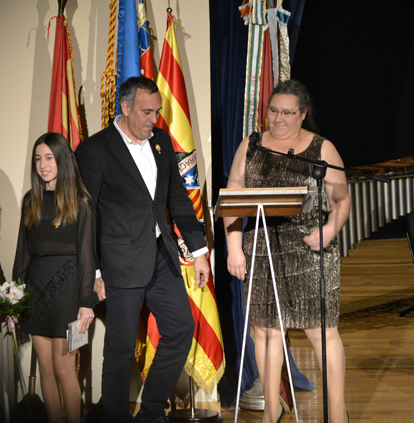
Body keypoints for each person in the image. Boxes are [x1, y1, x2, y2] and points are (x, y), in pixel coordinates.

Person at [75, 76, 209, 423]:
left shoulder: (161, 141)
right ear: (125, 107)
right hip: (119, 264)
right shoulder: (94, 150)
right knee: (119, 350)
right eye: (146, 112)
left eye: (157, 111)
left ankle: (151, 412)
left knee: (180, 329)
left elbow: (178, 201)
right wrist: (95, 272)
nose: (154, 119)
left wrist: (199, 252)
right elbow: (87, 217)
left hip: (162, 257)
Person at [224, 80, 350, 423]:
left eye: (287, 113)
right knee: (266, 332)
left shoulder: (321, 148)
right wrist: (234, 247)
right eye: (273, 111)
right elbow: (233, 195)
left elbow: (341, 200)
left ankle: (337, 413)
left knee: (321, 331)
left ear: (303, 114)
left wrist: (329, 230)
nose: (278, 119)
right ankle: (272, 409)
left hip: (309, 251)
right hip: (262, 248)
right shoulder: (251, 145)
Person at [12, 132, 98, 423]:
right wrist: (15, 297)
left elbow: (87, 257)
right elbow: (22, 253)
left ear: (63, 160)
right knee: (46, 369)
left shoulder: (81, 202)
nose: (43, 165)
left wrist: (86, 302)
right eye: (38, 159)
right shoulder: (31, 200)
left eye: (49, 158)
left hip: (68, 292)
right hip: (35, 290)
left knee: (64, 369)